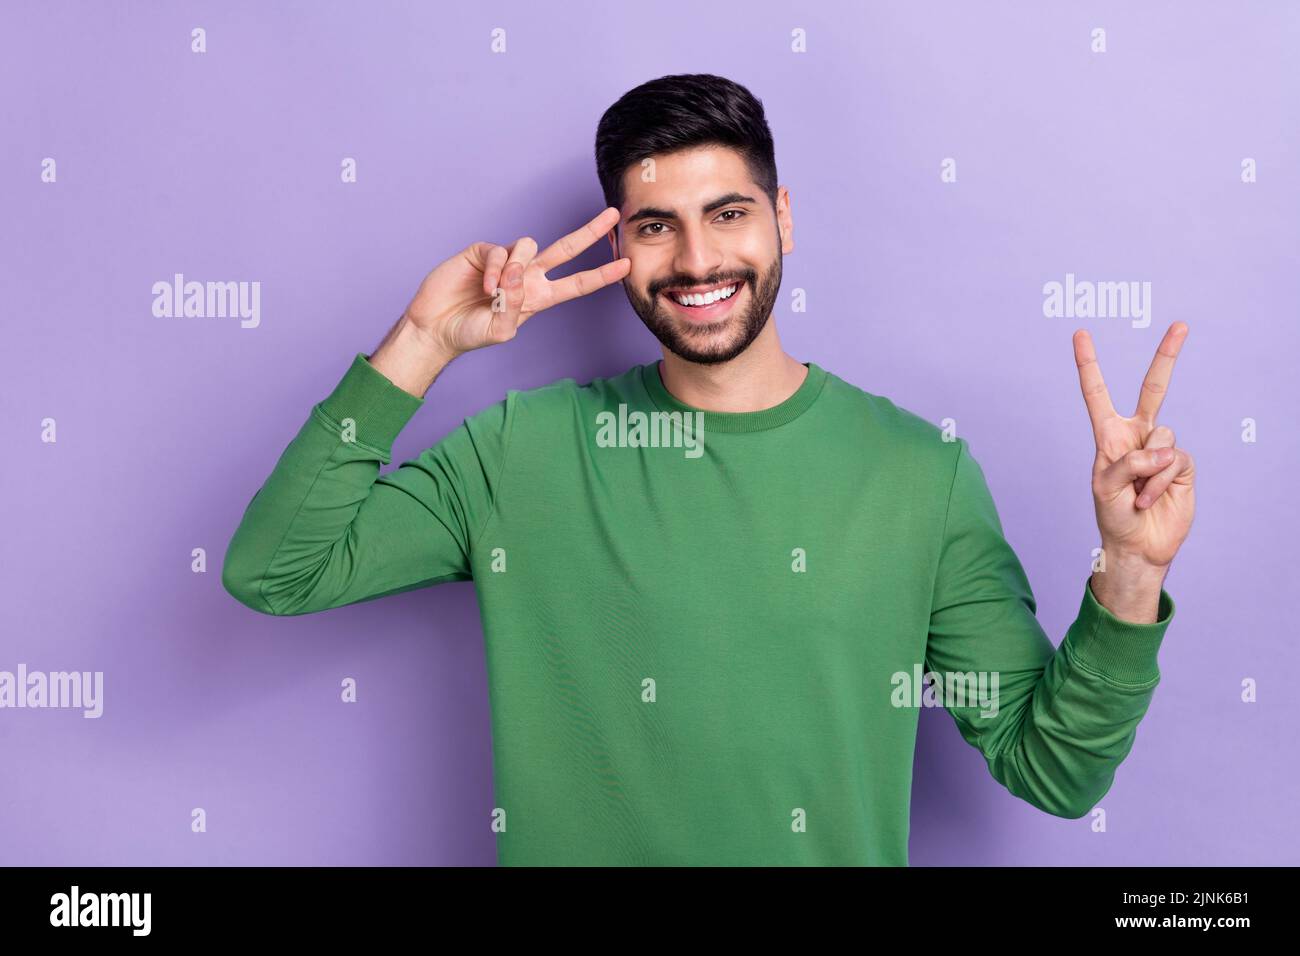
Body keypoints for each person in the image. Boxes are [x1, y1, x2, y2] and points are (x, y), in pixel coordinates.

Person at [222, 73, 1195, 866]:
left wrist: (1130, 571)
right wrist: (424, 340)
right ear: (620, 243)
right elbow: (276, 569)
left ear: (781, 217)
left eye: (726, 213)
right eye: (655, 225)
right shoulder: (520, 450)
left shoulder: (917, 474)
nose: (696, 258)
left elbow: (1054, 770)